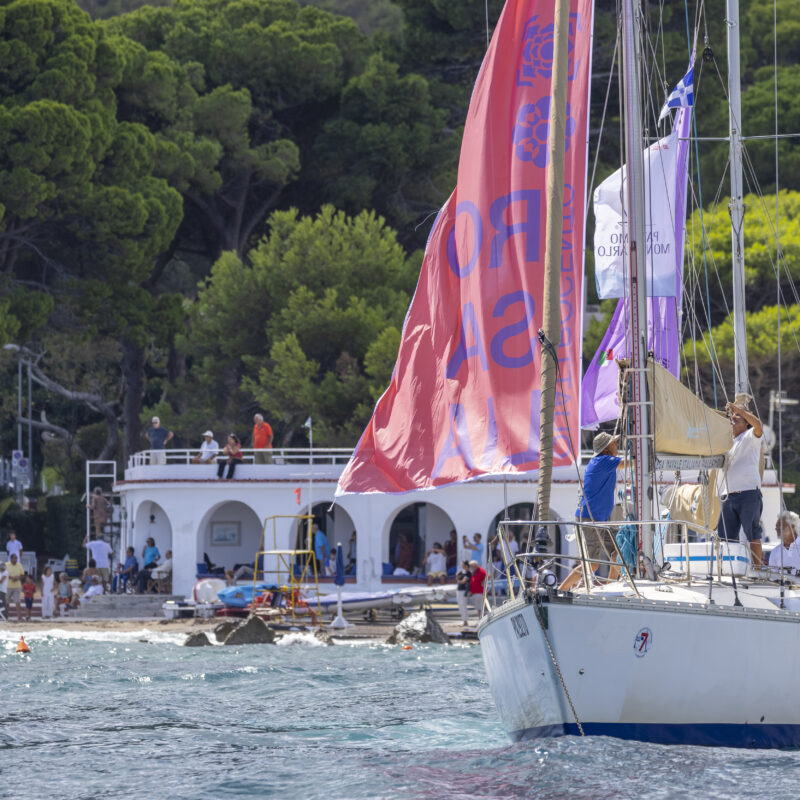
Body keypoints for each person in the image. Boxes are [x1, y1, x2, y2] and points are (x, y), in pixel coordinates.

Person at [559, 432, 626, 591]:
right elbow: (627, 463)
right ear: (606, 448)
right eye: (614, 443)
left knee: (618, 551)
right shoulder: (603, 461)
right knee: (592, 564)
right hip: (591, 519)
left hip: (598, 519)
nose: (617, 445)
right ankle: (560, 590)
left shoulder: (601, 461)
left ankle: (611, 587)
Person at [716, 398, 765, 567]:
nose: (734, 417)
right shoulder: (727, 443)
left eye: (738, 416)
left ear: (746, 423)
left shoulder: (751, 436)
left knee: (753, 534)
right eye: (733, 415)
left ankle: (758, 569)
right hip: (727, 495)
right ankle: (727, 571)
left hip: (748, 493)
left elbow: (758, 425)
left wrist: (739, 409)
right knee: (725, 538)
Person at [6, 553, 24, 621]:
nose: (15, 559)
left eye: (16, 558)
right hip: (8, 586)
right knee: (7, 602)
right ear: (11, 558)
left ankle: (19, 616)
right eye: (14, 558)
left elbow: (22, 575)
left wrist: (17, 578)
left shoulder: (19, 565)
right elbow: (2, 573)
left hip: (17, 586)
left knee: (17, 601)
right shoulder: (6, 565)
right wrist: (11, 577)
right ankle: (6, 615)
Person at [456, 560, 472, 626]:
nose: (462, 566)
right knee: (460, 605)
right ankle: (463, 620)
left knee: (463, 605)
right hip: (459, 590)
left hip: (464, 590)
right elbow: (458, 579)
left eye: (463, 565)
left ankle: (465, 621)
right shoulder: (462, 572)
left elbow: (463, 581)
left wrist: (459, 580)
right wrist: (457, 576)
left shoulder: (468, 573)